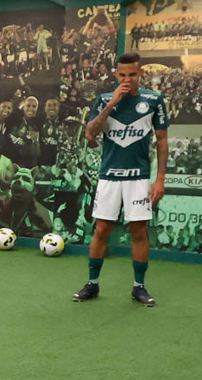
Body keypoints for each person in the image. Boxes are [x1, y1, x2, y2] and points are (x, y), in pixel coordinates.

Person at [72, 52, 169, 306]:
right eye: (122, 75)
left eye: (132, 74)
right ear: (116, 75)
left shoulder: (153, 100)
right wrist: (111, 104)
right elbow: (89, 134)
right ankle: (92, 283)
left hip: (139, 178)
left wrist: (160, 179)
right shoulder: (105, 99)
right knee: (101, 229)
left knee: (139, 231)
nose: (127, 79)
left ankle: (139, 287)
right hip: (109, 176)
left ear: (141, 74)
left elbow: (162, 140)